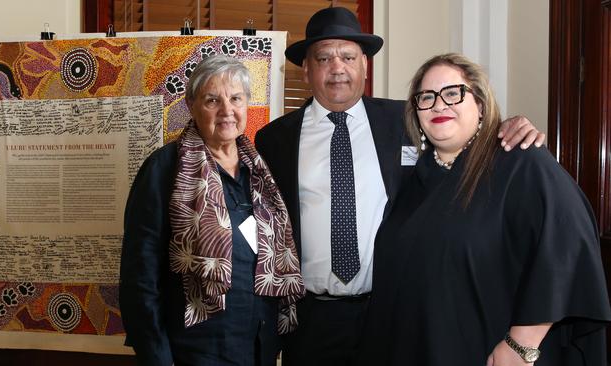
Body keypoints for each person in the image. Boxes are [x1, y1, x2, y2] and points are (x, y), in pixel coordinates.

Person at [254, 6, 546, 366]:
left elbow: (463, 139)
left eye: (348, 56)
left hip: (394, 310)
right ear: (307, 69)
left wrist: (509, 126)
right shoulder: (273, 140)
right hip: (313, 319)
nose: (337, 67)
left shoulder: (407, 121)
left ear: (365, 65)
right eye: (324, 57)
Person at [361, 53, 611, 365]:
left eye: (453, 93)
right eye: (426, 97)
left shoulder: (519, 161)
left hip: (489, 351)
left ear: (480, 105)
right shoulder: (414, 181)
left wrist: (522, 343)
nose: (439, 105)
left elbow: (568, 246)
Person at [119, 54, 305, 366]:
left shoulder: (259, 172)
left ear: (246, 105)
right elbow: (139, 277)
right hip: (196, 351)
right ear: (191, 106)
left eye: (235, 98)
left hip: (259, 347)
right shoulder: (165, 169)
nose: (227, 111)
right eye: (212, 100)